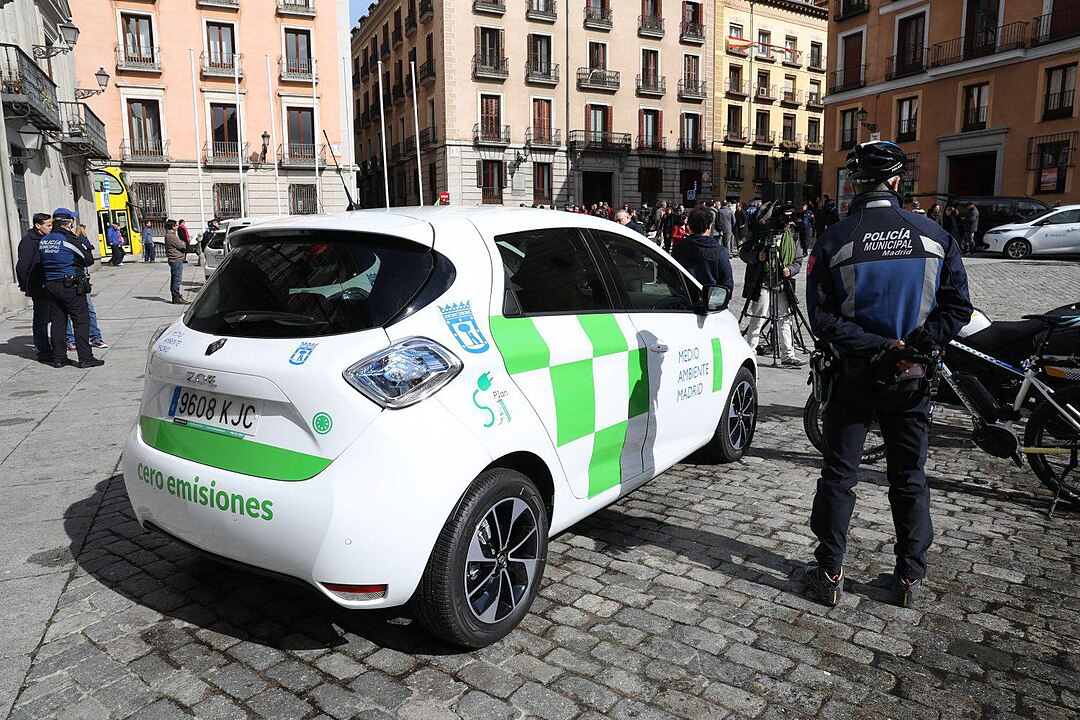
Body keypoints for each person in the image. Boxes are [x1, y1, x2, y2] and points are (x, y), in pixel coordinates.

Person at [805, 140, 972, 608]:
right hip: (913, 377)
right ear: (898, 183)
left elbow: (822, 319)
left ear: (855, 184)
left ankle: (830, 571)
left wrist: (879, 348)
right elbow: (957, 307)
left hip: (854, 376)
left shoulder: (836, 238)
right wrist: (912, 346)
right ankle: (908, 579)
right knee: (909, 477)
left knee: (839, 476)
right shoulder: (936, 235)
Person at [741, 202, 806, 368]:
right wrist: (758, 256)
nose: (788, 224)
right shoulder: (762, 232)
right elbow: (743, 253)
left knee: (785, 317)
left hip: (782, 283)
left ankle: (788, 355)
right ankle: (749, 351)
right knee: (758, 316)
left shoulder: (792, 235)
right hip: (763, 281)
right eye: (785, 220)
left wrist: (790, 270)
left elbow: (798, 260)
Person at [38, 209, 103, 368]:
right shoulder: (69, 239)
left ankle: (59, 358)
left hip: (51, 285)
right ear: (69, 222)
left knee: (58, 322)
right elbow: (88, 260)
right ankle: (85, 358)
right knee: (81, 321)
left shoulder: (45, 240)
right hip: (70, 285)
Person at [15, 213, 54, 362]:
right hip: (38, 286)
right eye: (48, 225)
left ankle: (54, 347)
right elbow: (22, 266)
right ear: (38, 226)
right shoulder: (28, 241)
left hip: (50, 285)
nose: (51, 228)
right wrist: (26, 285)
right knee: (41, 319)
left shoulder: (47, 239)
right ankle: (43, 350)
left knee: (52, 316)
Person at [65, 225, 108, 351]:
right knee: (67, 313)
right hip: (66, 281)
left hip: (80, 280)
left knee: (89, 310)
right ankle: (70, 340)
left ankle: (95, 338)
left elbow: (88, 259)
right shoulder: (62, 241)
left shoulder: (76, 240)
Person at [671, 207, 733, 292]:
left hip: (685, 299)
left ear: (690, 225)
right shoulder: (719, 251)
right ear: (709, 227)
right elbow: (727, 284)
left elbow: (670, 277)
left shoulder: (678, 248)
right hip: (710, 300)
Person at [164, 220, 189, 305]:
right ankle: (176, 296)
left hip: (175, 259)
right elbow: (182, 245)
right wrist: (183, 243)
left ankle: (176, 296)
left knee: (175, 278)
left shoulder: (171, 235)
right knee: (177, 279)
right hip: (176, 259)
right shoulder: (171, 236)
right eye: (176, 225)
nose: (177, 227)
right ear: (172, 226)